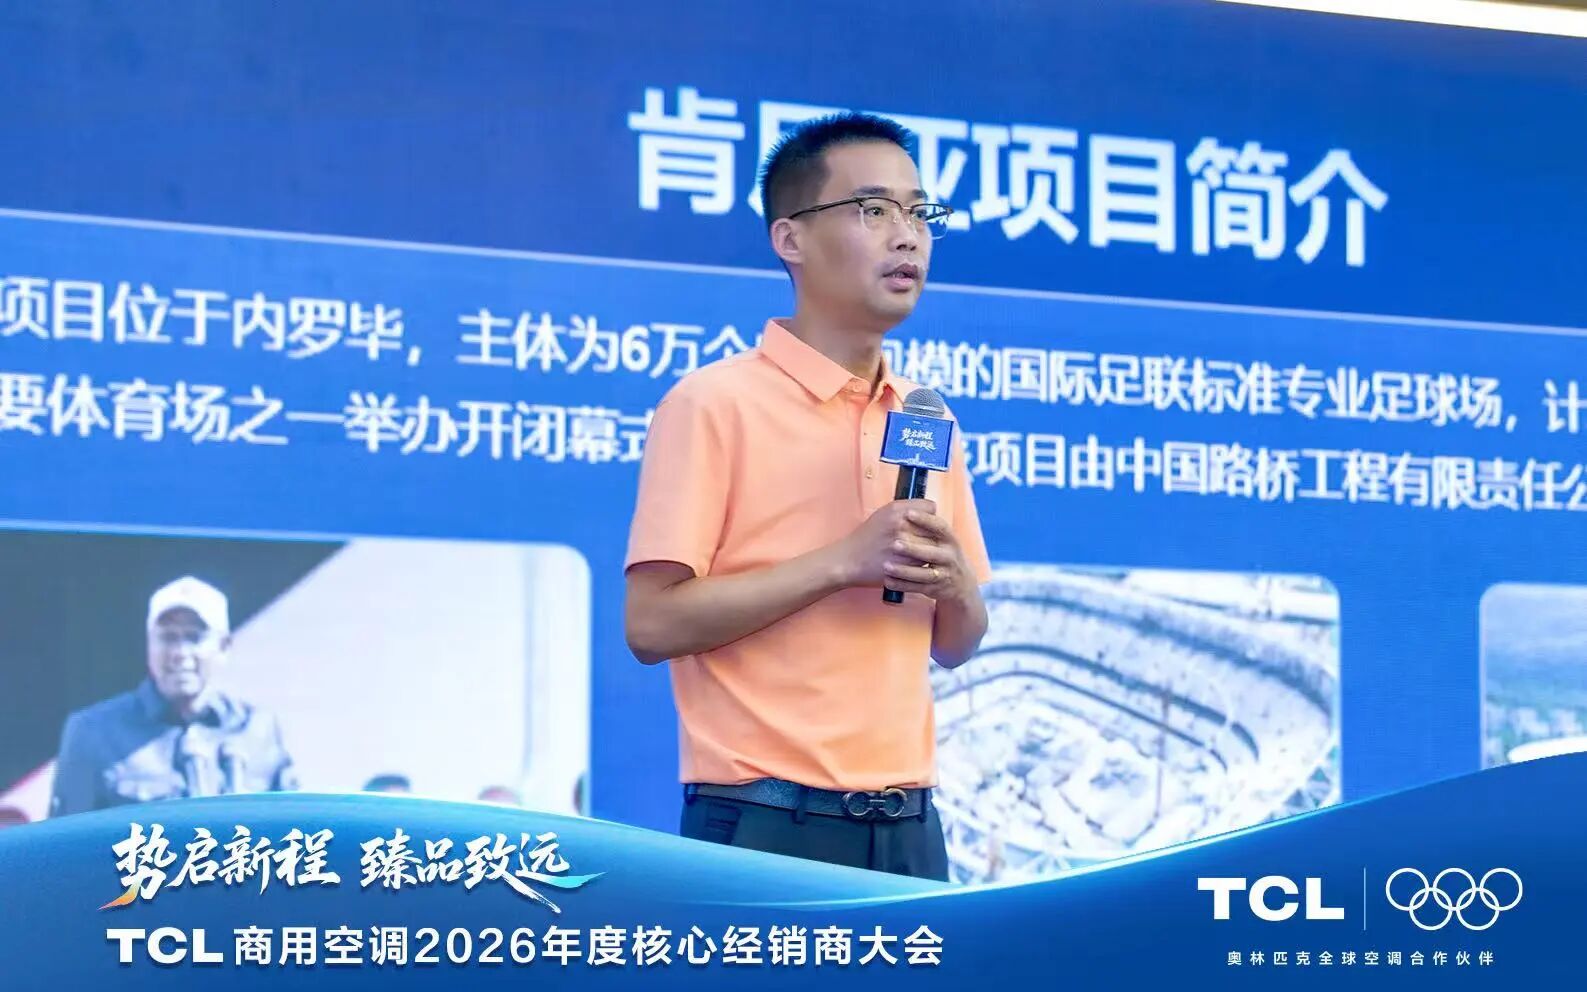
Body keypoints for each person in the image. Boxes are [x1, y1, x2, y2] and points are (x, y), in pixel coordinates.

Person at [624, 113, 992, 880]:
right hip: (764, 821)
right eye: (873, 209)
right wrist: (841, 563)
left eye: (919, 212)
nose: (907, 236)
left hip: (908, 826)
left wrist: (957, 587)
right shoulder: (713, 403)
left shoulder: (925, 415)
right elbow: (651, 625)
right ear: (790, 239)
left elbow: (954, 644)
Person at [49, 576, 298, 816]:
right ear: (149, 644)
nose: (180, 653)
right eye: (168, 637)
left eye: (194, 637)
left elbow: (292, 830)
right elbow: (67, 839)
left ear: (223, 647)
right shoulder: (94, 732)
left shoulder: (258, 729)